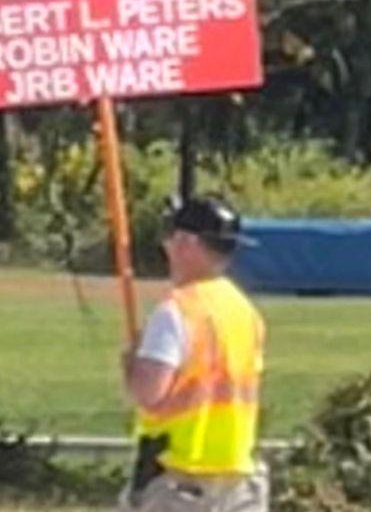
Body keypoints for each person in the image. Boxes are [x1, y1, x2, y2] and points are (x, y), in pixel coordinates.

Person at [118, 195, 267, 512]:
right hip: (237, 478)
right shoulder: (244, 311)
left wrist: (131, 365)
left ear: (187, 242)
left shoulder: (177, 311)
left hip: (179, 477)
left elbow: (148, 393)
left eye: (171, 236)